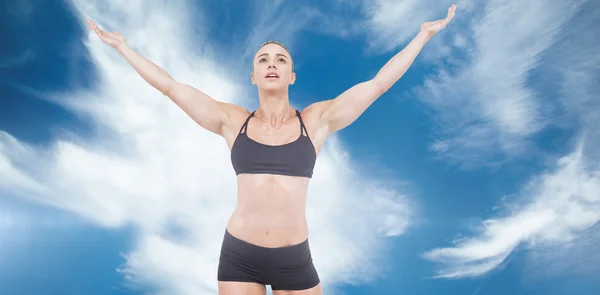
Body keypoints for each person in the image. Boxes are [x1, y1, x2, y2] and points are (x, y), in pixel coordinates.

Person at [87, 4, 456, 295]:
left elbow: (377, 84)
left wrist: (422, 36)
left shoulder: (316, 121)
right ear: (253, 76)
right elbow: (170, 86)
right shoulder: (233, 122)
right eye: (263, 60)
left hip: (294, 259)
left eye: (281, 59)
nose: (272, 64)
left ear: (292, 75)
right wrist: (123, 48)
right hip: (239, 257)